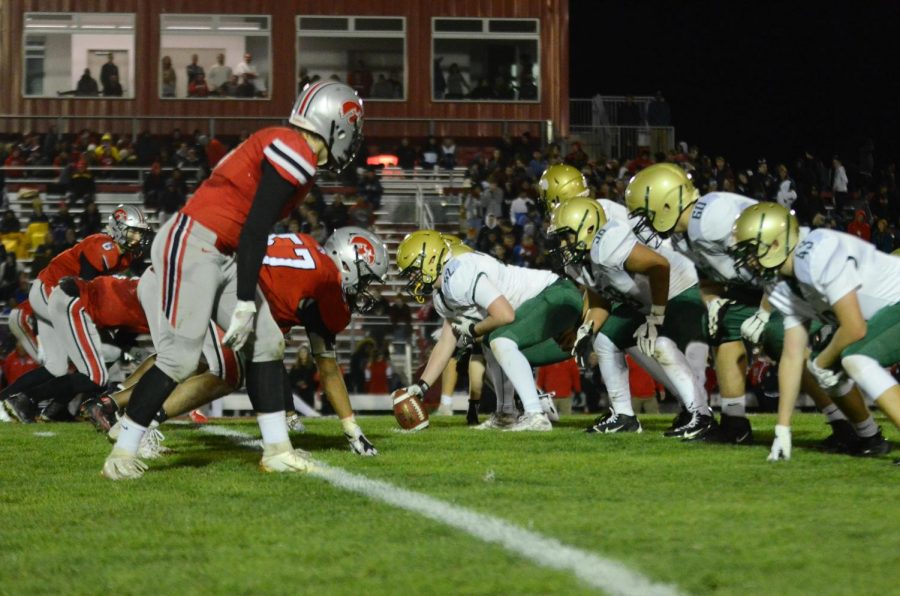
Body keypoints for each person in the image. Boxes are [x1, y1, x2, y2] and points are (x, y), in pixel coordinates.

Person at [99, 82, 365, 480]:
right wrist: (244, 300)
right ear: (336, 125)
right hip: (194, 242)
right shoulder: (294, 150)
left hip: (222, 249)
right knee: (182, 358)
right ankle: (123, 450)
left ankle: (277, 449)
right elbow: (256, 225)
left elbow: (248, 224)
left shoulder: (291, 149)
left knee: (268, 341)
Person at [625, 164, 867, 447]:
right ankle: (734, 422)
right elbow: (711, 276)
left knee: (781, 339)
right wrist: (713, 303)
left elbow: (775, 254)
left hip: (796, 277)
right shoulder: (683, 234)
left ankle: (846, 424)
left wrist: (764, 313)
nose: (645, 221)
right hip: (758, 284)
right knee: (721, 325)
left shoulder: (713, 217)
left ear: (666, 203)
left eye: (646, 211)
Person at [731, 203, 898, 460]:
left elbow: (854, 328)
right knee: (826, 366)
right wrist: (783, 428)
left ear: (775, 244)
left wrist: (821, 361)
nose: (749, 260)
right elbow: (791, 355)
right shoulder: (783, 281)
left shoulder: (816, 253)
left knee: (853, 358)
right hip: (887, 313)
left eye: (752, 250)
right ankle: (870, 438)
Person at [548, 197, 713, 437]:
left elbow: (659, 266)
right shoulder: (580, 261)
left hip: (681, 292)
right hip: (647, 302)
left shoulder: (608, 242)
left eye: (567, 235)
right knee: (605, 339)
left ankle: (701, 415)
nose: (563, 243)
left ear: (589, 228)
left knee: (660, 343)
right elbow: (600, 300)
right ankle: (624, 416)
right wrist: (586, 330)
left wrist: (656, 317)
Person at [396, 230, 584, 431]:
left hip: (555, 295)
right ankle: (507, 413)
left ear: (431, 259)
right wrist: (422, 385)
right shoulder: (443, 293)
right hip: (543, 306)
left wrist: (474, 328)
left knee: (498, 340)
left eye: (413, 271)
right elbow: (446, 342)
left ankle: (535, 414)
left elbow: (505, 315)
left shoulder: (459, 273)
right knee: (490, 341)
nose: (412, 279)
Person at [2, 206, 152, 418]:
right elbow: (86, 287)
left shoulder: (122, 256)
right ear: (118, 229)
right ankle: (40, 403)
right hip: (54, 292)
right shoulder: (105, 247)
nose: (138, 237)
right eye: (133, 231)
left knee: (56, 367)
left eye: (140, 232)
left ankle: (11, 402)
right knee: (104, 356)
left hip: (56, 294)